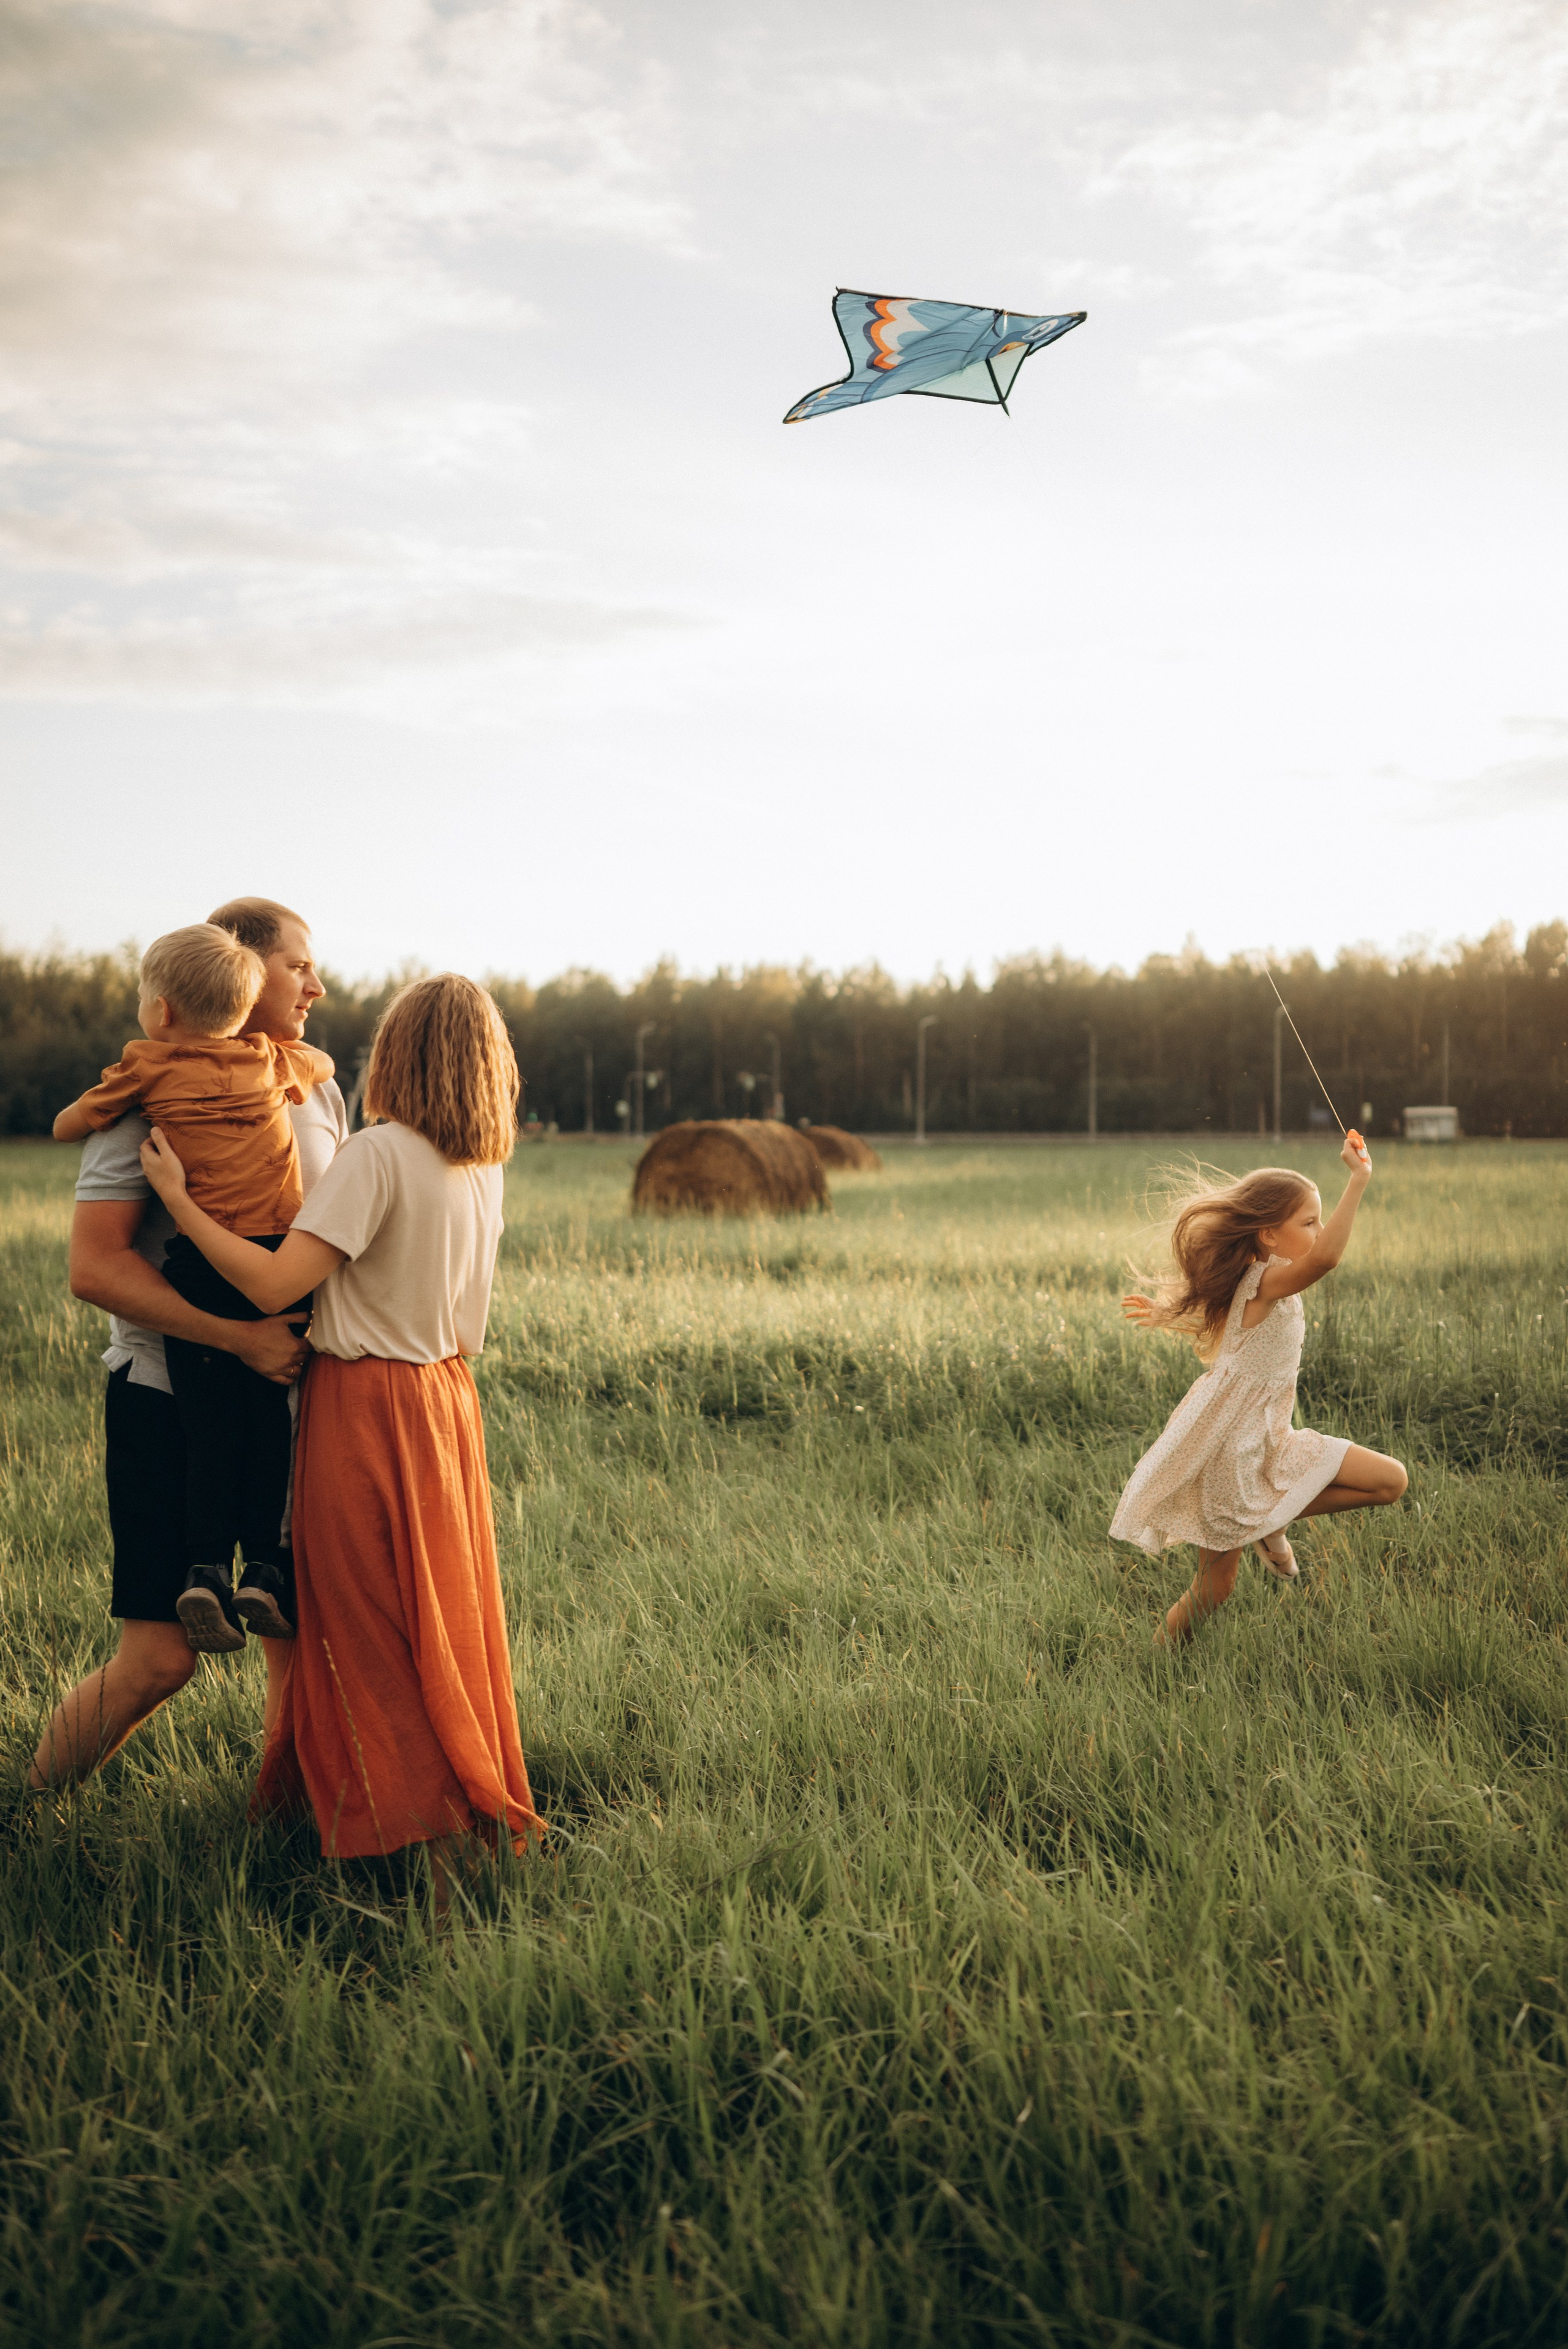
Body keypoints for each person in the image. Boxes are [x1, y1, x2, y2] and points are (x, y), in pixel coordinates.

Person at [138, 973, 541, 1877]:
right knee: (443, 1620)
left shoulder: (379, 1153)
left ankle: (428, 1859)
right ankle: (434, 1820)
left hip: (365, 1404)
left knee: (361, 1627)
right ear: (488, 1066)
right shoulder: (482, 1165)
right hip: (446, 1405)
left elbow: (277, 1286)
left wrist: (184, 1200)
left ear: (397, 1053)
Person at [30, 898, 346, 1790]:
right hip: (168, 1395)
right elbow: (95, 1268)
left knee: (296, 1636)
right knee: (162, 1660)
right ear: (240, 970)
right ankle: (27, 1816)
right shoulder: (145, 1095)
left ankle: (284, 1828)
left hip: (301, 1398)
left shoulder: (316, 1087)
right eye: (297, 966)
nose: (316, 985)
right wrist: (241, 1338)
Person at [1112, 1132, 1408, 1646]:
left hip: (1271, 1441)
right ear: (1269, 1235)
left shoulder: (1257, 1279)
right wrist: (1358, 1179)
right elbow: (1326, 1260)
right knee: (1214, 1587)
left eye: (1318, 1221)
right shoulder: (1265, 1281)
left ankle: (1269, 1520)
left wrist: (1165, 1312)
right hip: (1230, 1453)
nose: (1318, 1232)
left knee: (1391, 1481)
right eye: (1308, 1223)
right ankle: (1150, 1658)